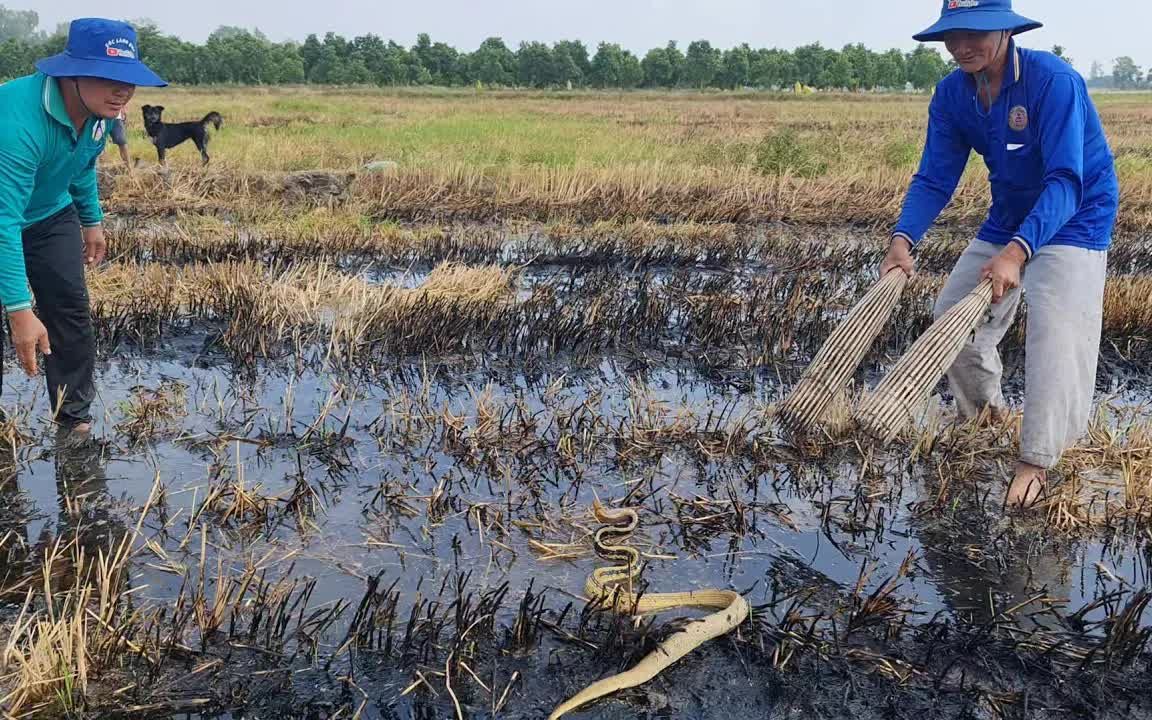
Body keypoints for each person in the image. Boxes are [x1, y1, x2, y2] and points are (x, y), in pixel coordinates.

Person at [880, 0, 1119, 509]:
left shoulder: (1052, 81)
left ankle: (1036, 460)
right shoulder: (951, 94)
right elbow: (934, 176)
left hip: (1076, 214)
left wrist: (1017, 253)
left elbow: (1065, 179)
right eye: (952, 34)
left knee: (1055, 336)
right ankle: (985, 416)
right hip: (1010, 211)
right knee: (951, 318)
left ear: (1006, 31)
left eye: (975, 32)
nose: (962, 46)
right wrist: (903, 240)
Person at [0, 18, 166, 436]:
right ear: (70, 73)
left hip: (49, 213)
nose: (122, 90)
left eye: (128, 78)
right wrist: (20, 310)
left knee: (70, 310)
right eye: (108, 76)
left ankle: (72, 417)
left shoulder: (102, 113)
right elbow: (4, 220)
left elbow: (81, 164)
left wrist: (91, 220)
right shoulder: (17, 124)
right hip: (5, 211)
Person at [108, 106, 132, 170]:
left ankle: (129, 169)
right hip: (99, 116)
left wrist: (124, 109)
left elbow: (124, 97)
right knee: (97, 142)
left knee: (122, 142)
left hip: (116, 117)